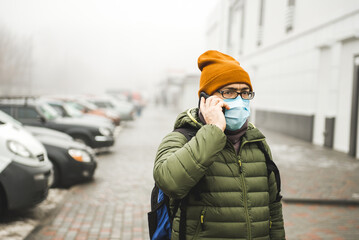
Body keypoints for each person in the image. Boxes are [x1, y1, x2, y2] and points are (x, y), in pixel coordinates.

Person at [153, 50, 285, 240]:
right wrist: (214, 130)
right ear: (205, 99)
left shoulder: (257, 143)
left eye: (245, 92)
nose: (240, 100)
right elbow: (170, 183)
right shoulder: (180, 138)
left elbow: (273, 207)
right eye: (229, 92)